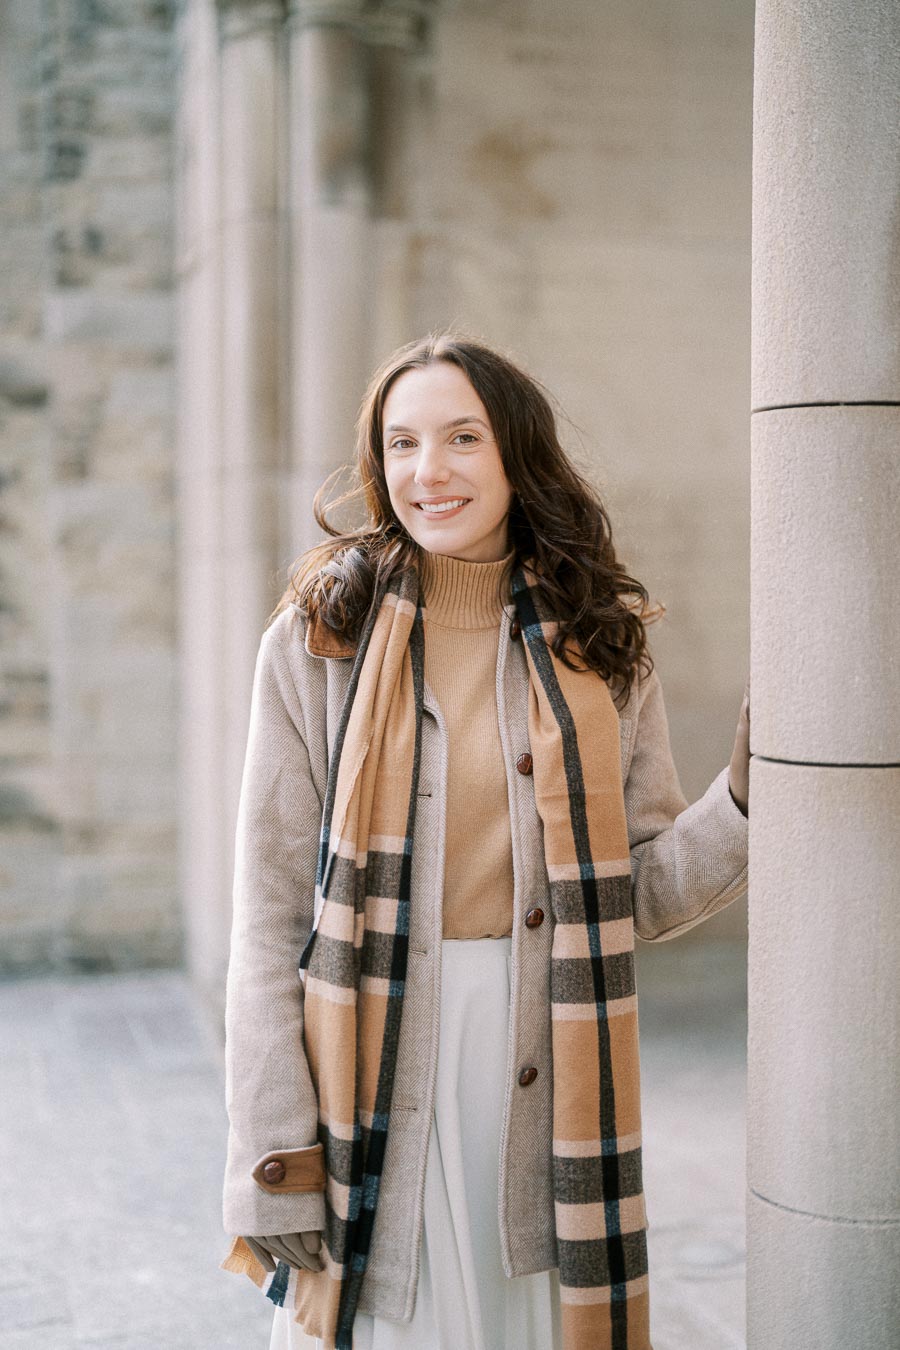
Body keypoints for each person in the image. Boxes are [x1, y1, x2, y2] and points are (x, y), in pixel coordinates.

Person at [219, 332, 751, 1350]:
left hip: (545, 1070)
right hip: (368, 1072)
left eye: (463, 437)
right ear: (379, 465)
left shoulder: (602, 642)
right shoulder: (316, 640)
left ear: (515, 455)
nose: (431, 470)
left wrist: (745, 800)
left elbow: (636, 891)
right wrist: (272, 1152)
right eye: (404, 442)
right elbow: (269, 914)